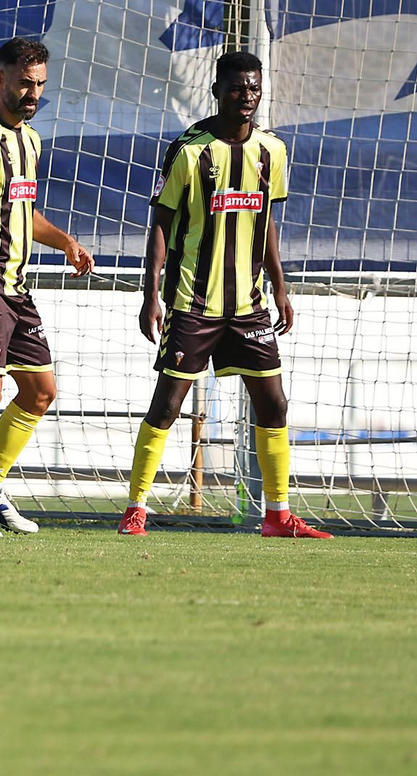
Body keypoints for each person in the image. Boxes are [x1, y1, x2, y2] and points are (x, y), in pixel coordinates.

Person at [119, 51, 330, 539]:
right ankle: (136, 508)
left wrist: (281, 287)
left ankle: (277, 516)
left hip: (249, 305)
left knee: (274, 403)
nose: (247, 97)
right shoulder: (191, 150)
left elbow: (267, 223)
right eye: (237, 88)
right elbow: (161, 223)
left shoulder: (271, 151)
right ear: (217, 90)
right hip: (193, 301)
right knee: (168, 405)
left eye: (254, 89)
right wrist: (150, 294)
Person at [0, 38, 94, 538]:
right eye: (25, 83)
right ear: (0, 79)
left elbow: (25, 213)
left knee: (41, 390)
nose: (33, 93)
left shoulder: (30, 140)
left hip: (15, 287)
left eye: (40, 85)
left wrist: (67, 242)